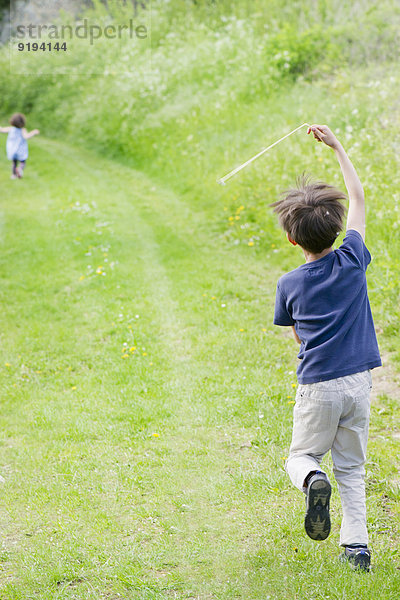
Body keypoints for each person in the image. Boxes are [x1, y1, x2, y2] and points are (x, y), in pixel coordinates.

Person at [271, 124, 381, 572]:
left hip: (318, 385)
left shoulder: (289, 283)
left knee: (302, 456)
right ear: (337, 229)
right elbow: (357, 198)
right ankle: (357, 549)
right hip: (358, 383)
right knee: (352, 470)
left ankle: (314, 479)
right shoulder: (353, 258)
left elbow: (296, 333)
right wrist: (337, 147)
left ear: (291, 239)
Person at [0, 113, 40, 179]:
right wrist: (34, 132)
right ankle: (20, 169)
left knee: (14, 162)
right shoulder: (22, 130)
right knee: (22, 162)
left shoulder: (11, 129)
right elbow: (26, 136)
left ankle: (13, 175)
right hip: (20, 150)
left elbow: (1, 130)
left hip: (12, 149)